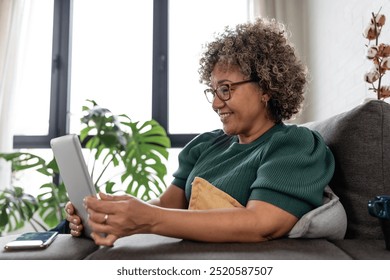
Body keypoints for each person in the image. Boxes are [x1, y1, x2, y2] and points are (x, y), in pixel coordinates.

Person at [65, 17, 335, 246]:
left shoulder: (295, 144)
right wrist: (113, 213)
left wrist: (147, 218)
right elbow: (167, 205)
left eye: (226, 89)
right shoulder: (206, 145)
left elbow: (261, 223)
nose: (217, 103)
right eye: (214, 91)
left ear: (266, 88)